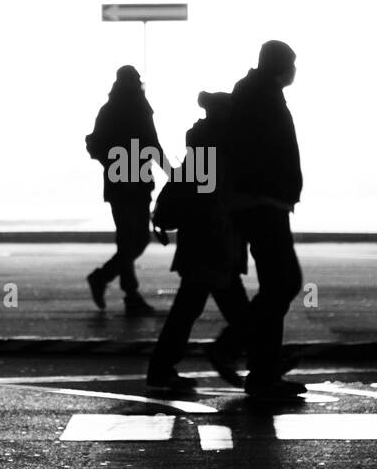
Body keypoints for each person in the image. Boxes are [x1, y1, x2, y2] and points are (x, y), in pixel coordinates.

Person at [146, 91, 250, 393]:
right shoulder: (215, 151)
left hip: (202, 246)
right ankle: (250, 360)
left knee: (190, 309)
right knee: (227, 310)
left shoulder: (201, 147)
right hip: (212, 246)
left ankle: (162, 368)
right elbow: (214, 205)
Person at [229, 39, 305, 400]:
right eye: (292, 63)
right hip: (263, 204)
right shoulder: (262, 98)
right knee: (284, 283)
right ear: (280, 64)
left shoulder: (257, 93)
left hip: (266, 202)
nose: (295, 69)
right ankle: (238, 351)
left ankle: (263, 370)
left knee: (278, 285)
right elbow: (265, 152)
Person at [85, 65, 165, 316]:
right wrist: (175, 175)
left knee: (128, 239)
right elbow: (153, 144)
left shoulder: (108, 111)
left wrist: (113, 162)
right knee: (137, 239)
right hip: (138, 182)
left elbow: (95, 144)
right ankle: (126, 291)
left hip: (119, 183)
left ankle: (110, 281)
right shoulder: (141, 109)